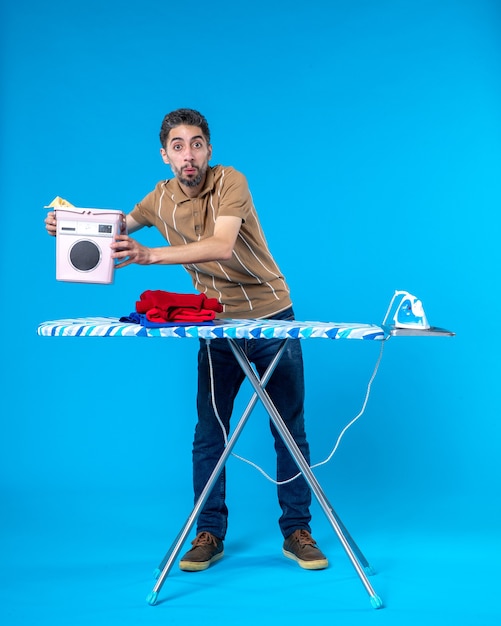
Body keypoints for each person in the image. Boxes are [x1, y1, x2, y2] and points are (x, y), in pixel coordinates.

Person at [44, 108, 328, 572]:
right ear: (165, 156)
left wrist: (150, 255)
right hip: (216, 326)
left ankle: (298, 531)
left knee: (288, 429)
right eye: (178, 146)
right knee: (209, 432)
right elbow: (114, 228)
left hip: (272, 317)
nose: (188, 154)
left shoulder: (230, 181)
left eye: (196, 143)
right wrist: (66, 224)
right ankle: (208, 532)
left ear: (209, 150)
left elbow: (221, 245)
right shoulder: (159, 199)